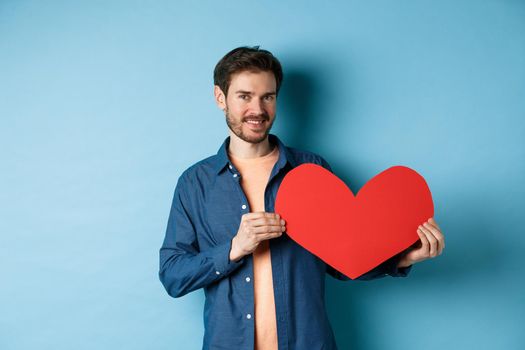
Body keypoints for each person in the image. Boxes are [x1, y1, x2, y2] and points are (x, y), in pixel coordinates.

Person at [159, 46, 445, 350]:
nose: (257, 109)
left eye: (267, 96)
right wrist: (234, 248)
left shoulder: (313, 171)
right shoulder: (195, 183)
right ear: (221, 98)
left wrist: (403, 258)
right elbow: (173, 275)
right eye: (244, 96)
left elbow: (342, 260)